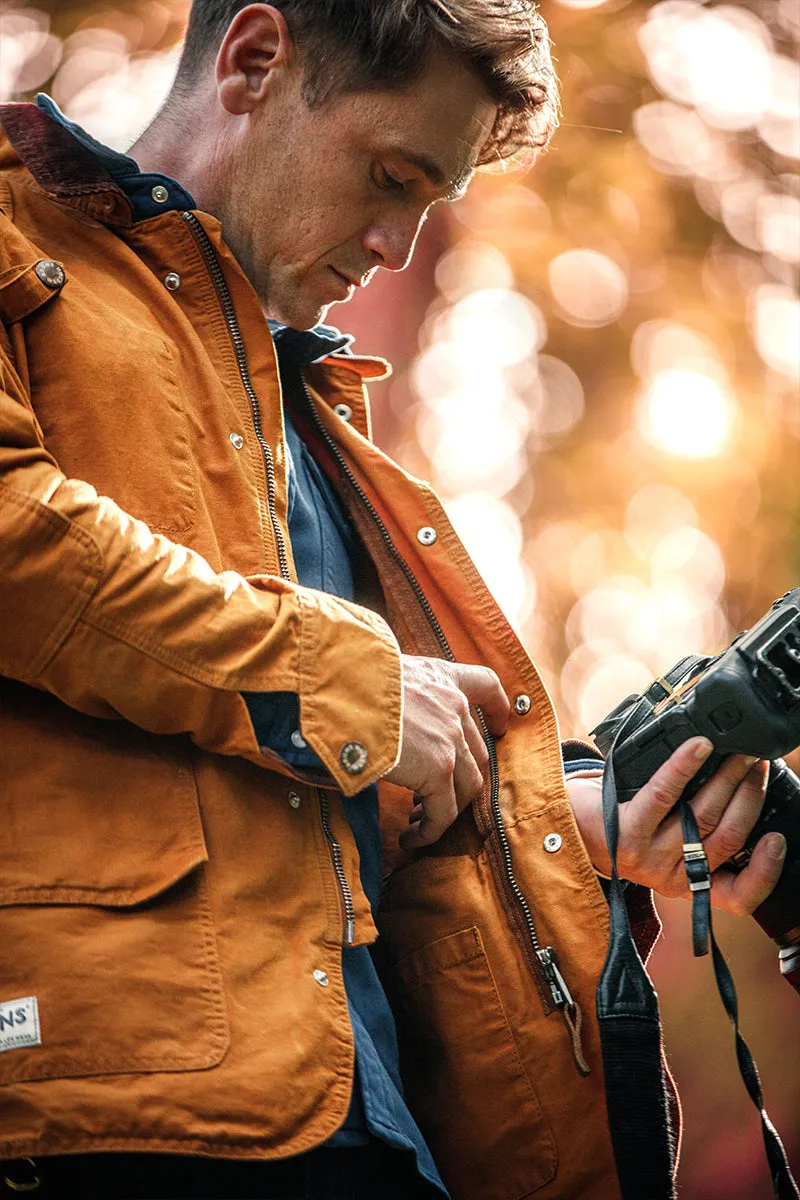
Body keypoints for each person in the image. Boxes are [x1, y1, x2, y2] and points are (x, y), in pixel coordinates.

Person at [0, 2, 786, 1197]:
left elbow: (313, 811)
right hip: (118, 1125)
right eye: (390, 175)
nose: (397, 248)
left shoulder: (316, 428)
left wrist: (566, 829)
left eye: (432, 203)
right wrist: (351, 682)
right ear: (255, 61)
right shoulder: (13, 236)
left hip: (374, 1132)